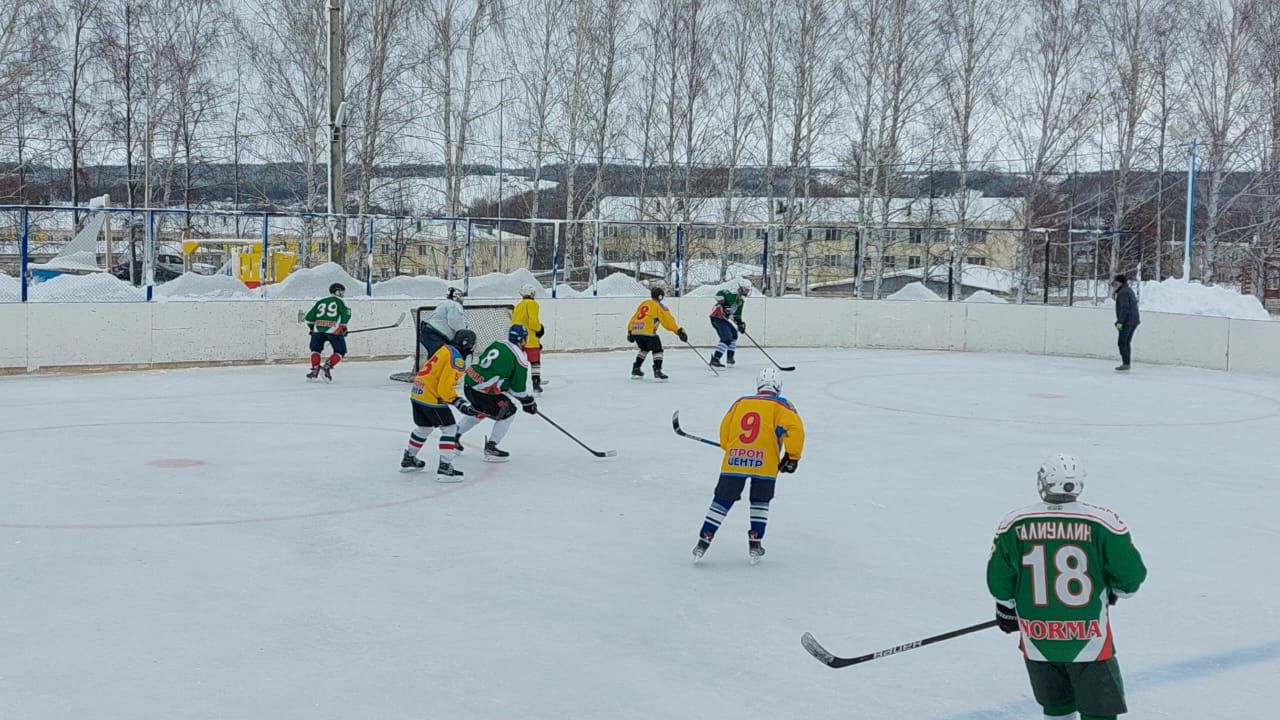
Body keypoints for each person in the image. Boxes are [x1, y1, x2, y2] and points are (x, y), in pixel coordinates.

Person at [986, 454, 1148, 720]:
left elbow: (999, 581)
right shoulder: (1104, 521)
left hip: (1038, 638)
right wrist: (1115, 592)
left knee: (1057, 707)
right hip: (1090, 640)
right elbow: (1131, 576)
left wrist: (1006, 607)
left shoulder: (1014, 522)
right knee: (1099, 712)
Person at [692, 367, 805, 564]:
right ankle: (755, 542)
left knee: (722, 500)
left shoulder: (740, 402)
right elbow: (794, 430)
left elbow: (725, 429)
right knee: (760, 501)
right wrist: (792, 456)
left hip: (734, 461)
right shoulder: (783, 406)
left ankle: (705, 538)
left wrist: (730, 447)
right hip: (765, 463)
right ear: (778, 386)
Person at [402, 330, 479, 481]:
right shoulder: (456, 360)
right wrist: (458, 402)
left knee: (424, 428)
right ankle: (445, 467)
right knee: (449, 428)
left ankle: (409, 458)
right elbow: (444, 389)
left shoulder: (445, 349)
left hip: (417, 393)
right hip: (431, 397)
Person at [455, 324, 538, 462]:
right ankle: (491, 447)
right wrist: (527, 401)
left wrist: (503, 384)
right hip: (483, 391)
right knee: (508, 411)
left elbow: (486, 364)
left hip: (469, 382)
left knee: (480, 411)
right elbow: (518, 389)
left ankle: (454, 436)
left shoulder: (497, 344)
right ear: (522, 340)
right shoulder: (520, 358)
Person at [627, 285, 687, 381]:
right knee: (658, 349)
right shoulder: (660, 306)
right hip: (648, 331)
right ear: (660, 296)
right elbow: (668, 322)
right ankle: (658, 371)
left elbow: (635, 316)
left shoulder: (644, 303)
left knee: (644, 349)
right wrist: (678, 331)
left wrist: (630, 330)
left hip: (636, 330)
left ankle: (636, 368)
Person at [305, 282, 351, 382]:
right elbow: (346, 314)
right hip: (334, 331)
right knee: (340, 351)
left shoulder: (321, 301)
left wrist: (312, 328)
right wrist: (343, 327)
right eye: (341, 292)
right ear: (337, 291)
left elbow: (308, 318)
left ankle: (315, 370)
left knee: (315, 350)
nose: (343, 294)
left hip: (317, 331)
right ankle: (327, 367)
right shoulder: (341, 301)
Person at [709, 278, 751, 368]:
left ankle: (730, 357)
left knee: (734, 335)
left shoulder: (740, 301)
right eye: (746, 289)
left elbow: (737, 315)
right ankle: (715, 358)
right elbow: (719, 294)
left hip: (723, 319)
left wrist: (739, 323)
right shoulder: (732, 294)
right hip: (717, 317)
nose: (747, 291)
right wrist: (724, 304)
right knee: (727, 338)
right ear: (741, 288)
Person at [512, 283, 546, 393]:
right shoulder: (533, 304)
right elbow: (533, 322)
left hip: (518, 340)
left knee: (520, 363)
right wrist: (539, 329)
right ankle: (536, 384)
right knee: (535, 362)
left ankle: (516, 385)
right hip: (530, 339)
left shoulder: (518, 306)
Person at [421, 287, 468, 362]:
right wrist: (464, 330)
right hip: (435, 335)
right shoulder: (454, 305)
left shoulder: (445, 303)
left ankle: (425, 371)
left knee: (435, 357)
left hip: (428, 332)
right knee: (440, 358)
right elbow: (455, 323)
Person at [1112, 275, 1140, 372]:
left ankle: (1126, 364)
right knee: (1126, 342)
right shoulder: (1127, 290)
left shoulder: (1123, 292)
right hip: (1133, 321)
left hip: (1127, 321)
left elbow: (1125, 308)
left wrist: (1120, 322)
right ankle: (1126, 363)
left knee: (1122, 343)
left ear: (1120, 283)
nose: (1114, 284)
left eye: (1115, 282)